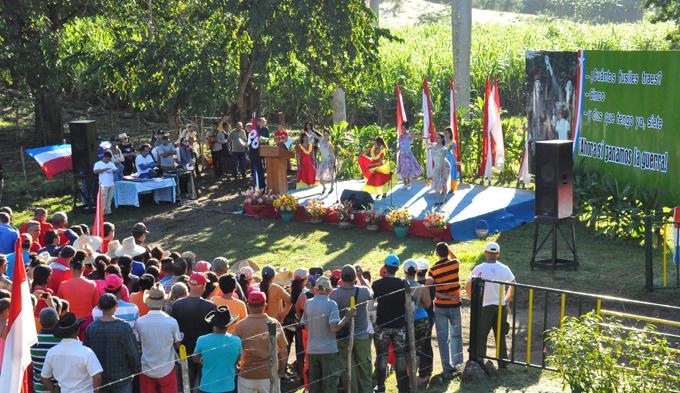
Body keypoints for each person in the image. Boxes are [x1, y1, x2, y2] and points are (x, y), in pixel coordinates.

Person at [465, 241, 515, 365]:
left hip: (484, 306)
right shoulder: (505, 268)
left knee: (481, 334)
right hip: (500, 306)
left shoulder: (479, 268)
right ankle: (502, 362)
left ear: (485, 253)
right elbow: (513, 284)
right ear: (498, 254)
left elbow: (469, 285)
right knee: (500, 335)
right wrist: (506, 299)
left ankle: (480, 360)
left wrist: (473, 299)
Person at [302, 276, 355, 393]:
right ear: (329, 290)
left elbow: (305, 325)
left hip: (312, 350)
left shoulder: (308, 303)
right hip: (328, 351)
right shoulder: (332, 304)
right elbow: (334, 328)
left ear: (315, 289)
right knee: (330, 385)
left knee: (314, 386)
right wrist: (347, 316)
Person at [232, 291, 288, 393]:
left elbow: (233, 350)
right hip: (269, 374)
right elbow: (283, 350)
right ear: (265, 305)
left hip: (246, 374)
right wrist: (282, 371)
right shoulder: (273, 323)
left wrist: (236, 367)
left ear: (248, 306)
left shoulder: (241, 325)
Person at [329, 265, 373, 393]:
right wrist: (361, 276)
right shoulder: (364, 291)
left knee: (349, 368)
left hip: (343, 336)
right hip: (362, 335)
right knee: (364, 366)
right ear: (354, 277)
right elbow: (372, 291)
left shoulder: (334, 294)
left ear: (341, 278)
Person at [85, 293, 140, 393]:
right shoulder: (124, 327)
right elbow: (132, 353)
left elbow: (87, 354)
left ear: (100, 308)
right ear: (116, 306)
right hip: (121, 377)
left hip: (100, 379)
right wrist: (135, 370)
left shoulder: (91, 328)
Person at [170, 272, 216, 389]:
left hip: (184, 352)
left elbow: (173, 331)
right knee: (204, 387)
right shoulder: (210, 306)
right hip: (204, 353)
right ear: (203, 286)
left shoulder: (177, 304)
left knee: (185, 387)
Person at [371, 254, 408, 393]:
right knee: (400, 356)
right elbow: (407, 304)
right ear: (397, 268)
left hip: (382, 326)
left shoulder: (376, 284)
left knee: (382, 356)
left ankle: (380, 387)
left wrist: (373, 322)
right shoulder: (403, 284)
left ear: (385, 267)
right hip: (399, 326)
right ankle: (402, 388)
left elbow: (371, 305)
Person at [134, 283, 181, 393]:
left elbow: (138, 341)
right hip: (167, 368)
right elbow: (177, 344)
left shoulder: (140, 321)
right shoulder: (171, 322)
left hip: (146, 368)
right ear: (163, 303)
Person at [41, 312, 104, 393]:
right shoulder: (86, 352)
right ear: (77, 330)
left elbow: (44, 378)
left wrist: (53, 391)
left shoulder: (51, 352)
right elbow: (97, 376)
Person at [428, 242, 463, 377]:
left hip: (441, 307)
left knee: (442, 338)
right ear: (448, 252)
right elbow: (456, 258)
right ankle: (458, 363)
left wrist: (447, 298)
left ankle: (446, 367)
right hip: (455, 306)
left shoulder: (432, 270)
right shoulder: (455, 264)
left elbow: (434, 292)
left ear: (437, 253)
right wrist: (453, 298)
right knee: (457, 336)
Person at [194, 306, 242, 393]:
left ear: (213, 323)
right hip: (228, 388)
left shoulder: (201, 340)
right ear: (229, 324)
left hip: (206, 388)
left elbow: (195, 358)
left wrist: (202, 360)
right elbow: (237, 361)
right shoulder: (237, 341)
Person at [403, 259, 432, 387]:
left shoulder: (401, 285)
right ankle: (412, 379)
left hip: (405, 320)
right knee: (417, 350)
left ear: (404, 271)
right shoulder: (421, 287)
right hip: (421, 319)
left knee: (407, 350)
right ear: (417, 271)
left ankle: (408, 378)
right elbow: (428, 304)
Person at [31, 308, 62, 393]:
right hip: (60, 388)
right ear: (57, 321)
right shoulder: (62, 340)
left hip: (39, 388)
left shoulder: (32, 341)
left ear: (40, 322)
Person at [416, 260, 434, 383]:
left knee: (421, 346)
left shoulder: (415, 285)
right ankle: (428, 370)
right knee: (427, 343)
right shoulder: (431, 283)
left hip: (420, 318)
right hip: (431, 316)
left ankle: (423, 374)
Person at [396, 121, 423, 190]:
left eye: (404, 128)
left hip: (408, 155)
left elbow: (417, 137)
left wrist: (425, 137)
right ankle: (405, 184)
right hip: (401, 155)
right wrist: (396, 152)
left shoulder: (409, 135)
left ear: (406, 129)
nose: (402, 130)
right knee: (402, 169)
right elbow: (399, 146)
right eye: (401, 128)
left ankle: (409, 183)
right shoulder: (400, 137)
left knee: (408, 169)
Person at [428, 133, 452, 207]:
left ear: (442, 139)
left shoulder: (444, 149)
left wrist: (441, 170)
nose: (436, 139)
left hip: (445, 166)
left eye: (438, 138)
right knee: (436, 184)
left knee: (443, 183)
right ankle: (438, 201)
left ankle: (444, 200)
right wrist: (428, 137)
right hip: (437, 166)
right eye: (436, 138)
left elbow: (442, 160)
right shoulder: (434, 144)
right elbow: (427, 143)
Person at [316, 128, 336, 194]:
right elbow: (315, 135)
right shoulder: (320, 140)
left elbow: (332, 154)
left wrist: (333, 164)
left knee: (331, 175)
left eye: (327, 135)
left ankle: (332, 187)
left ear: (329, 135)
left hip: (329, 161)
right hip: (323, 161)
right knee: (320, 176)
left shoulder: (329, 144)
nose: (325, 136)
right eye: (324, 135)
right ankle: (324, 187)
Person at [247, 122, 265, 190]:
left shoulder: (251, 134)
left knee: (257, 169)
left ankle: (259, 185)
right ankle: (260, 184)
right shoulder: (255, 133)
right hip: (256, 154)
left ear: (250, 128)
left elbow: (248, 144)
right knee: (258, 169)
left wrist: (245, 145)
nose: (246, 129)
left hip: (254, 154)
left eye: (247, 127)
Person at [443, 127, 459, 193]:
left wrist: (455, 161)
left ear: (450, 134)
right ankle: (443, 188)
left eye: (446, 133)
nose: (445, 135)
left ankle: (452, 188)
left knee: (452, 173)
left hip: (450, 159)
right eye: (444, 133)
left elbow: (453, 152)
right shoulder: (443, 141)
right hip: (444, 158)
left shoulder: (452, 142)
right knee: (443, 173)